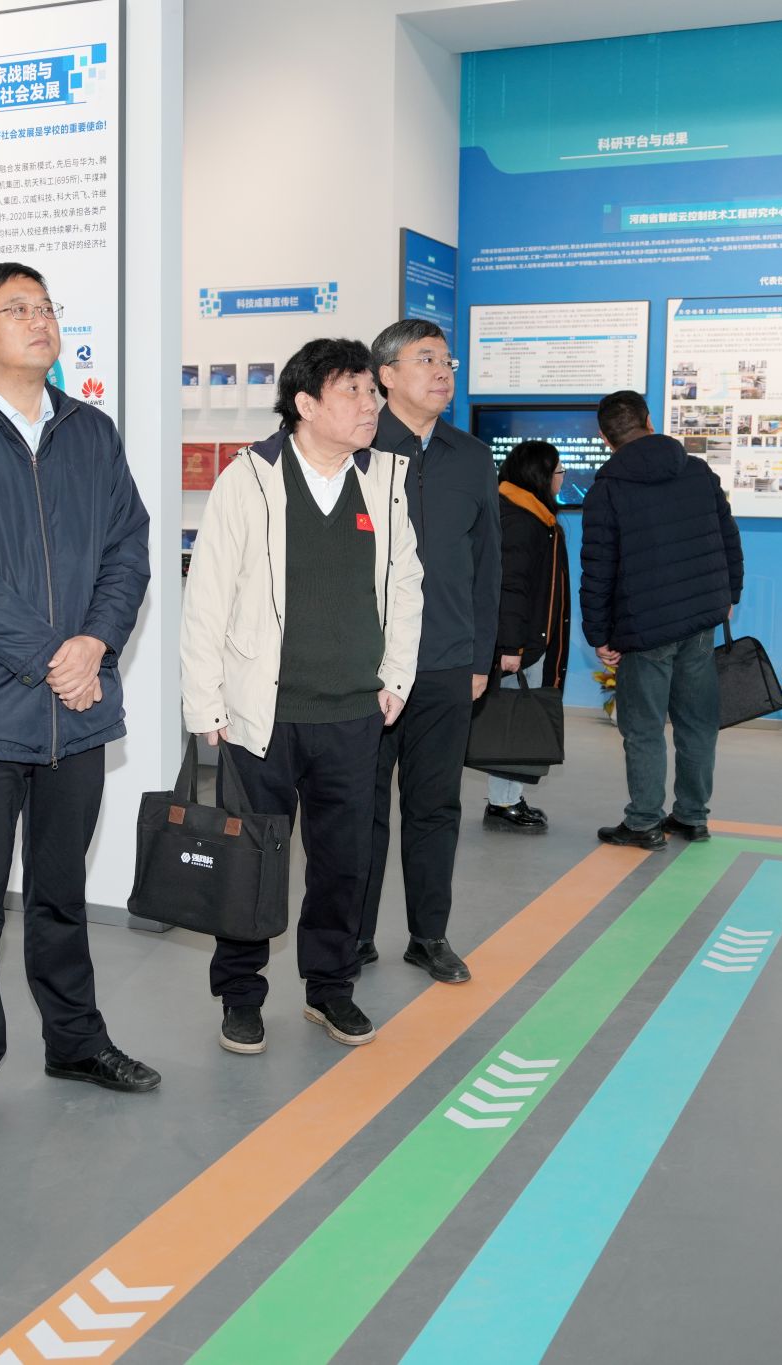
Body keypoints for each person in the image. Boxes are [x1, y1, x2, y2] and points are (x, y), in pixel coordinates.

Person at [0, 262, 158, 1146]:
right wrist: (57, 655)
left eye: (46, 306)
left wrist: (96, 644)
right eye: (18, 309)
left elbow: (129, 548)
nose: (40, 319)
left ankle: (76, 1042)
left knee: (61, 894)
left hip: (75, 712)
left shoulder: (91, 432)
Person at [180, 338, 424, 1053]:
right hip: (262, 715)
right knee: (251, 861)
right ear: (306, 404)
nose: (370, 405)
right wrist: (205, 703)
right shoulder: (249, 479)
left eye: (372, 392)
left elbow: (406, 585)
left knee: (344, 862)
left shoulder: (383, 480)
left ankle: (330, 988)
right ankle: (241, 996)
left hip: (353, 711)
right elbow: (207, 597)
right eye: (353, 391)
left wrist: (397, 676)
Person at [357, 319, 499, 985]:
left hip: (445, 661)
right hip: (363, 666)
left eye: (447, 361)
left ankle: (428, 935)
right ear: (386, 375)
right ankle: (353, 936)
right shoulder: (354, 448)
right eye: (426, 360)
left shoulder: (471, 457)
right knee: (359, 808)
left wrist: (480, 657)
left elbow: (488, 565)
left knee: (436, 805)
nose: (443, 372)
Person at [580, 391, 742, 851]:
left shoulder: (607, 489)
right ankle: (691, 816)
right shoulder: (698, 472)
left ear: (604, 436)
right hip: (698, 620)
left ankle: (643, 822)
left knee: (643, 728)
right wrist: (729, 595)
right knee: (697, 724)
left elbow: (598, 569)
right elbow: (729, 538)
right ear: (649, 421)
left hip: (644, 626)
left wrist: (599, 634)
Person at [476, 439, 571, 833]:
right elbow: (510, 588)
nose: (562, 478)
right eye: (559, 471)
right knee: (512, 722)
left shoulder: (529, 514)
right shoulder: (520, 518)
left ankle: (507, 798)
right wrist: (512, 646)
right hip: (522, 644)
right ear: (541, 475)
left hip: (529, 639)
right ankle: (503, 802)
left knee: (513, 718)